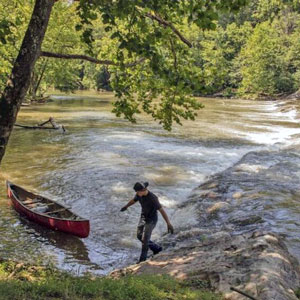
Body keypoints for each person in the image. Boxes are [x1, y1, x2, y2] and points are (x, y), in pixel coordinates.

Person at [120, 182, 174, 263]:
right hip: (143, 217)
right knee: (139, 236)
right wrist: (126, 206)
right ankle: (157, 249)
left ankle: (142, 261)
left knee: (145, 240)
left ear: (143, 190)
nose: (137, 194)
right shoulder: (139, 195)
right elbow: (134, 200)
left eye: (138, 192)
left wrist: (168, 223)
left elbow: (162, 211)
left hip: (152, 220)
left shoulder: (153, 198)